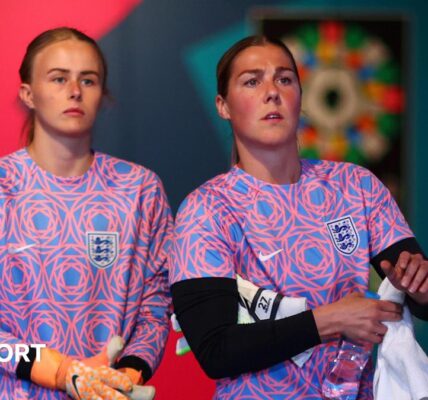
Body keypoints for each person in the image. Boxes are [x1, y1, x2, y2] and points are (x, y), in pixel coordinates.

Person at [169, 35, 428, 399]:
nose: (272, 92)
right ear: (223, 106)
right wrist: (331, 320)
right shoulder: (206, 209)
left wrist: (419, 286)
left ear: (300, 97)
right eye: (252, 81)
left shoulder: (355, 185)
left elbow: (418, 289)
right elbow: (216, 350)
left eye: (285, 79)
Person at [0, 27, 172, 399]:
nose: (75, 91)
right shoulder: (3, 186)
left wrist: (124, 376)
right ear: (28, 94)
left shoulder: (140, 189)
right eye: (59, 78)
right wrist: (60, 372)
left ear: (102, 94)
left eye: (88, 80)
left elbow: (156, 303)